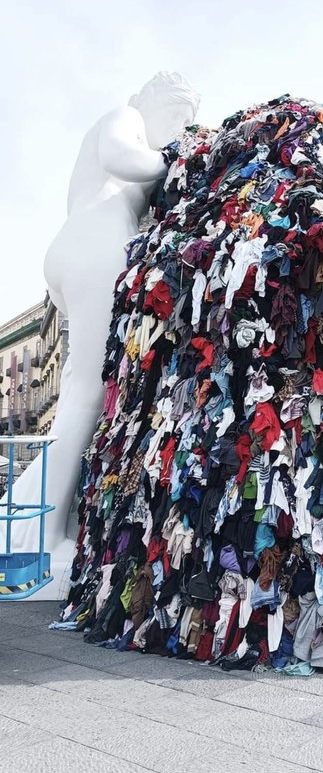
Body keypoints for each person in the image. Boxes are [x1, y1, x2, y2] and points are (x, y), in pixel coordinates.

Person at [4, 71, 200, 585]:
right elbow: (121, 156)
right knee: (88, 397)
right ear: (147, 101)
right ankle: (40, 537)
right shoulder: (125, 117)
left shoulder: (137, 149)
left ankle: (31, 520)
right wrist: (178, 156)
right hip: (97, 247)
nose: (180, 129)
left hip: (79, 250)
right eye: (176, 116)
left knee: (78, 395)